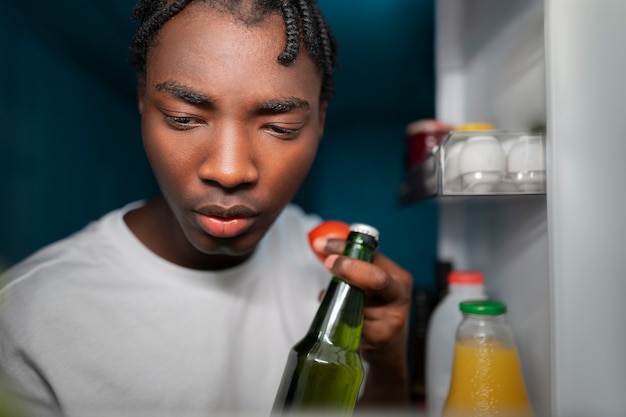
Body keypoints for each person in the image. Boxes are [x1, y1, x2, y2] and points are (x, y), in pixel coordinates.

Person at [0, 0, 413, 416]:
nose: (229, 171)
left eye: (280, 127)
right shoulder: (26, 320)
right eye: (183, 118)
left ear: (320, 120)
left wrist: (388, 365)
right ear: (142, 100)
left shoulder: (332, 278)